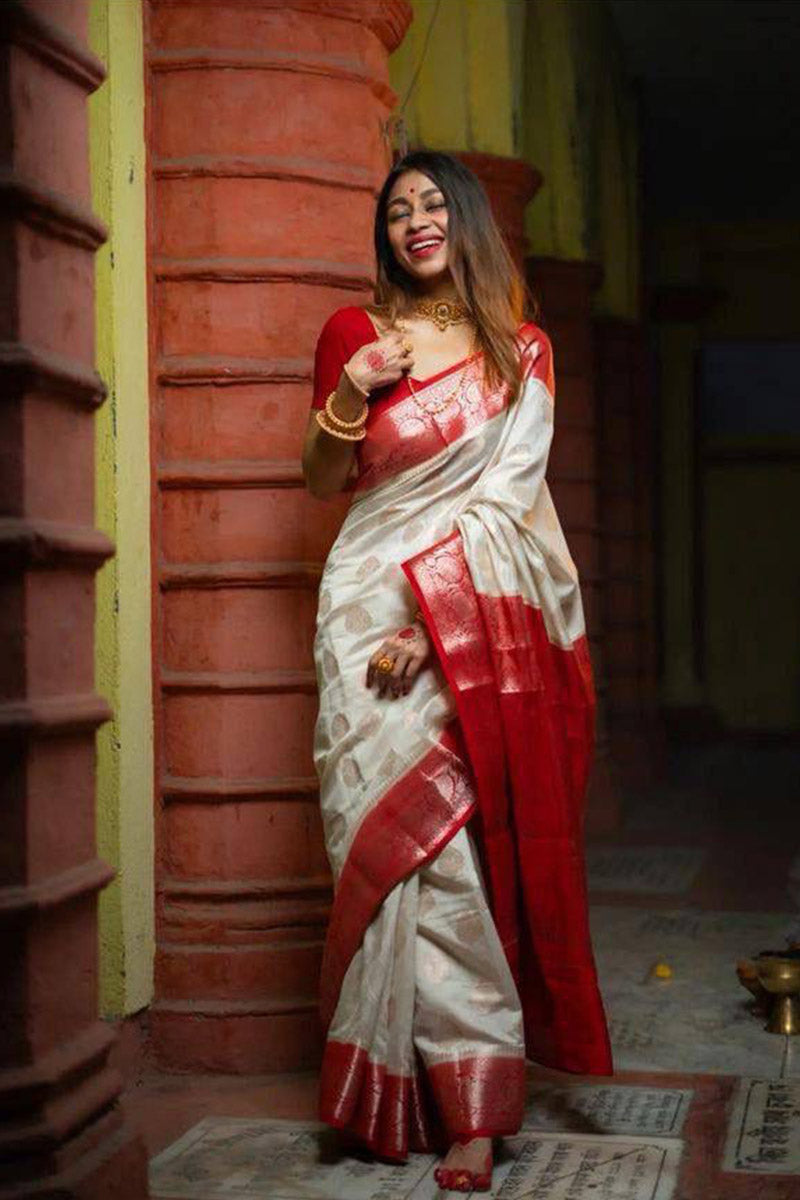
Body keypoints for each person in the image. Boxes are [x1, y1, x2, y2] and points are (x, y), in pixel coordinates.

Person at [302, 150, 612, 1194]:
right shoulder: (357, 336)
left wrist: (432, 624)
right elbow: (318, 480)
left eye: (434, 205)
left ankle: (474, 1107)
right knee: (372, 831)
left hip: (453, 613)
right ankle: (388, 1086)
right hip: (358, 606)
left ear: (466, 221)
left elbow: (507, 498)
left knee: (443, 854)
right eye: (398, 210)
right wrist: (349, 392)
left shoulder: (519, 351)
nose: (416, 221)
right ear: (383, 232)